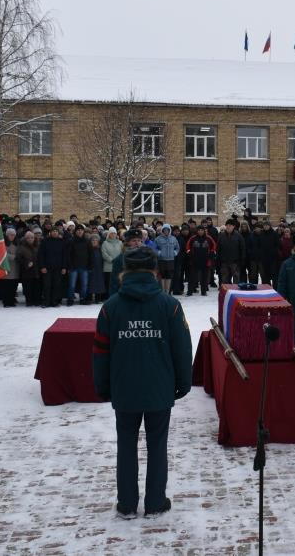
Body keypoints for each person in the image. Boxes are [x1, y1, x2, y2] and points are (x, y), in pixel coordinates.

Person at [92, 248, 193, 518]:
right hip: (159, 387)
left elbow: (101, 352)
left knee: (126, 446)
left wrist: (102, 386)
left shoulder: (111, 307)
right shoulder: (169, 305)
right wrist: (184, 382)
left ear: (125, 272)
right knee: (157, 445)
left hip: (124, 388)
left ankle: (126, 503)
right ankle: (155, 501)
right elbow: (182, 349)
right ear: (154, 271)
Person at [216, 219, 245, 285]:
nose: (228, 227)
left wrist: (242, 260)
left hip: (235, 262)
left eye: (230, 225)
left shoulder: (238, 236)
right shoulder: (221, 236)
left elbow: (242, 249)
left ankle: (235, 293)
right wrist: (218, 260)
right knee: (225, 280)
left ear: (233, 226)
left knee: (236, 280)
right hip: (224, 262)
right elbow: (218, 249)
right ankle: (226, 294)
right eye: (227, 225)